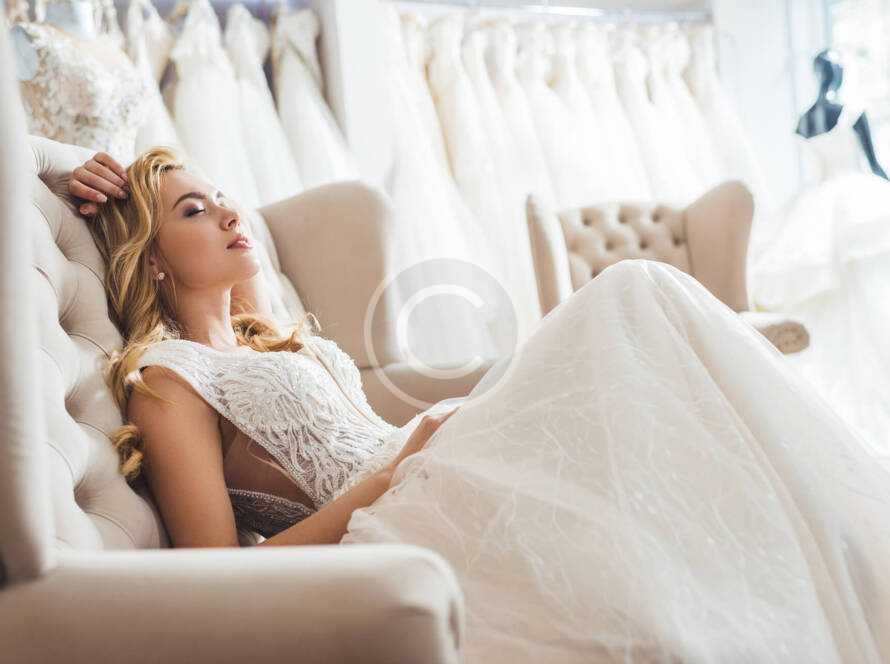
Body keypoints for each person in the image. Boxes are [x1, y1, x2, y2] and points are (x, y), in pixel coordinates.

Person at [70, 148, 890, 663]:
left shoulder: (265, 340)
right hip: (404, 503)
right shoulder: (168, 379)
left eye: (221, 195)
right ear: (151, 259)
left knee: (653, 338)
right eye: (193, 210)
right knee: (632, 293)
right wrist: (391, 473)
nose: (229, 212)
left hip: (438, 459)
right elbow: (216, 574)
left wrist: (422, 441)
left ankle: (846, 559)